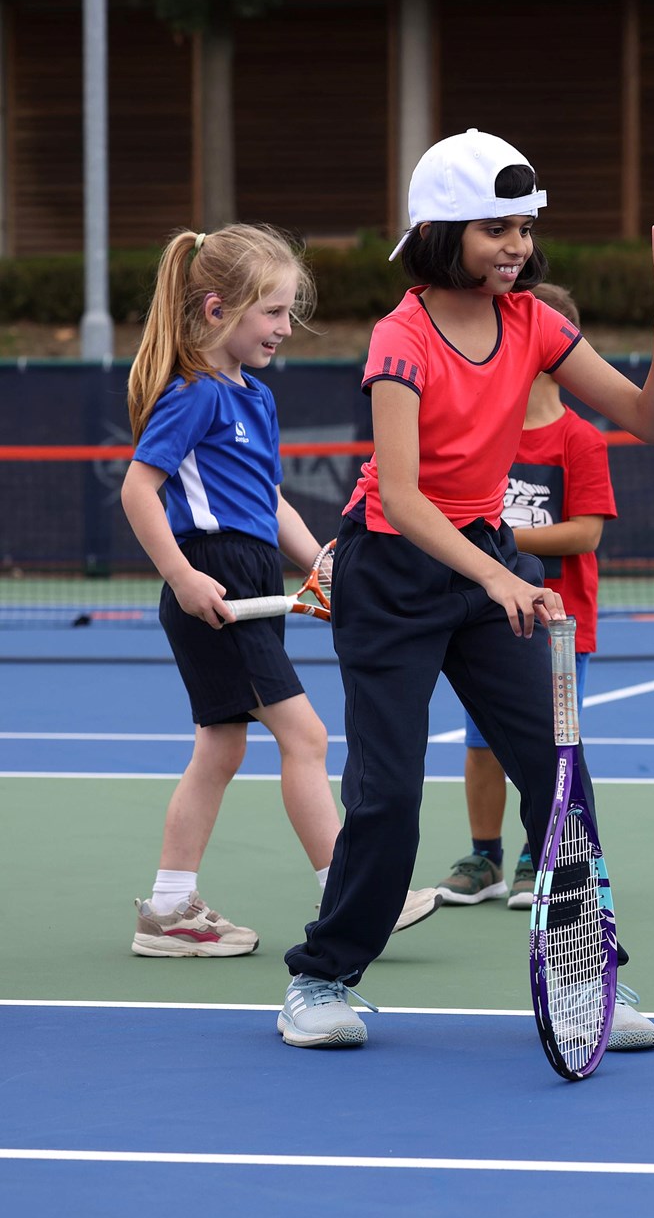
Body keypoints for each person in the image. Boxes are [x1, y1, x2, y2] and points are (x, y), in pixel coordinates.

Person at [277, 130, 654, 1050]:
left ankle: (588, 972)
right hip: (390, 573)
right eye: (494, 228)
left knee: (561, 777)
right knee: (386, 795)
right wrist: (504, 574)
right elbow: (398, 495)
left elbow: (649, 422)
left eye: (523, 229)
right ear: (442, 230)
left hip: (482, 560)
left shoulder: (537, 323)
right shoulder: (401, 336)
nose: (515, 245)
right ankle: (321, 979)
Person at [121, 224, 439, 960]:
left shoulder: (253, 398)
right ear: (215, 309)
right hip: (213, 584)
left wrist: (326, 563)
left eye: (288, 311)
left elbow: (268, 503)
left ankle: (168, 908)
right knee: (307, 736)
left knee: (220, 749)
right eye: (271, 312)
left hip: (251, 577)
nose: (284, 328)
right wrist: (182, 575)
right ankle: (352, 895)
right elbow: (140, 490)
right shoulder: (194, 396)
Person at [435, 281, 618, 913]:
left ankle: (536, 859)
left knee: (551, 746)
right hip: (487, 617)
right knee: (480, 743)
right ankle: (484, 855)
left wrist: (499, 537)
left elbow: (585, 531)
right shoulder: (487, 433)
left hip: (559, 623)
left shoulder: (580, 441)